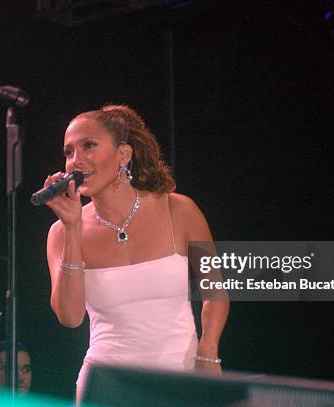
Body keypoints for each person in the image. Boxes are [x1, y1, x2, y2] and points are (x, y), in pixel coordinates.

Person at [44, 104, 229, 402]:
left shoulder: (179, 210)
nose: (75, 161)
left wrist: (208, 352)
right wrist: (73, 227)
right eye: (69, 152)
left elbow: (215, 291)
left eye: (88, 145)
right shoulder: (60, 233)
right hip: (106, 387)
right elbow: (70, 316)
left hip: (181, 382)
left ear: (123, 155)